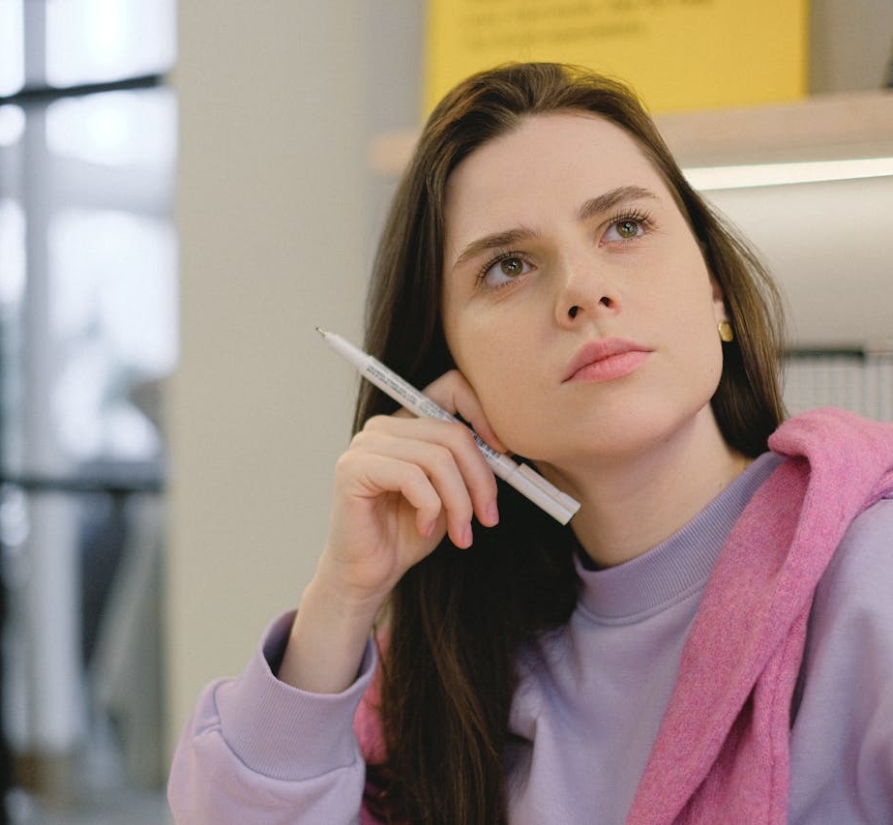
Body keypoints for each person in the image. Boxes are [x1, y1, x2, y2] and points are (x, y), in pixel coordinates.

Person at [167, 62, 893, 824]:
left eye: (625, 226)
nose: (582, 288)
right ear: (448, 367)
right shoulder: (459, 680)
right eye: (508, 266)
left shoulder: (870, 576)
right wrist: (343, 597)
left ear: (714, 286)